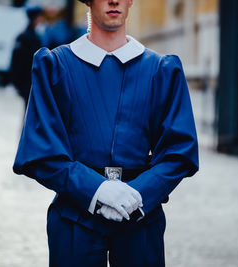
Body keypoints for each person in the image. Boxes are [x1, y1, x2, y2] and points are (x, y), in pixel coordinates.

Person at [13, 0, 199, 266]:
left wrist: (138, 194)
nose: (114, 0)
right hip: (74, 220)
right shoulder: (55, 66)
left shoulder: (161, 70)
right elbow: (40, 153)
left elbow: (179, 153)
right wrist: (97, 190)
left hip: (141, 219)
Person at [10, 6, 44, 110]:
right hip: (27, 79)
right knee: (29, 107)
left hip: (30, 78)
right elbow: (16, 61)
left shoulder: (35, 36)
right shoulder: (25, 37)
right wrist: (15, 81)